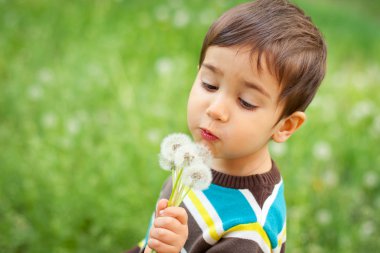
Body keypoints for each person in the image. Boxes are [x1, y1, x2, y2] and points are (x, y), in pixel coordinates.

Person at [127, 0, 326, 252]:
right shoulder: (205, 156)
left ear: (286, 125)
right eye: (209, 84)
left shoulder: (250, 229)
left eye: (246, 102)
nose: (216, 109)